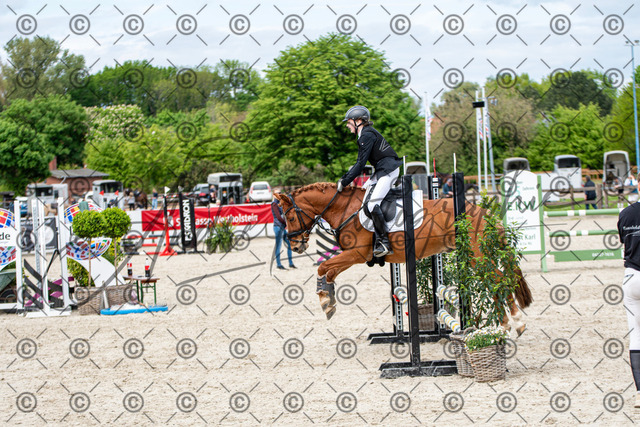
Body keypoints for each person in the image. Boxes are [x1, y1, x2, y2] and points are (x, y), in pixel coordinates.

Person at [337, 105, 402, 257]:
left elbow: (360, 164)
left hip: (388, 171)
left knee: (372, 204)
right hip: (381, 171)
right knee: (363, 192)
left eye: (349, 122)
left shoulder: (366, 135)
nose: (347, 125)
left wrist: (344, 181)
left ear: (358, 121)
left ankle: (384, 242)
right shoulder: (365, 134)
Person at [617, 175, 640, 407]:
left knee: (636, 335)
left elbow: (624, 241)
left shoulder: (625, 214)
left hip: (632, 277)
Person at [271, 191, 296, 270]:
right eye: (278, 193)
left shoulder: (280, 203)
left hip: (281, 227)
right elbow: (278, 217)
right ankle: (278, 264)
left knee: (289, 244)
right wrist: (285, 224)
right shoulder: (274, 204)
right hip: (278, 227)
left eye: (280, 193)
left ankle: (290, 263)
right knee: (278, 246)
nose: (279, 194)